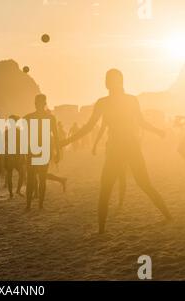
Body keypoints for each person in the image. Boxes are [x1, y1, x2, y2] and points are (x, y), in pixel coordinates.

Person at [62, 69, 172, 233]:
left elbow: (139, 122)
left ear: (114, 82)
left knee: (116, 187)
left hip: (120, 148)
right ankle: (101, 229)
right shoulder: (116, 101)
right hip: (123, 147)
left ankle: (101, 230)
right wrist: (67, 141)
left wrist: (157, 131)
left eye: (110, 80)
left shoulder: (109, 102)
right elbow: (91, 126)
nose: (108, 83)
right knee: (123, 186)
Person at [24, 94, 60, 211]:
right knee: (38, 179)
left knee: (35, 179)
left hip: (36, 151)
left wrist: (58, 152)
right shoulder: (48, 118)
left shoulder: (30, 118)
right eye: (38, 103)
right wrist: (57, 152)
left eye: (39, 103)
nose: (38, 105)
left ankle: (33, 205)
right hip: (38, 151)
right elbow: (56, 137)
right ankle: (36, 205)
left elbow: (56, 136)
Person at [4, 115, 25, 198]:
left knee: (10, 175)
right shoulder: (18, 131)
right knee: (21, 173)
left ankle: (12, 193)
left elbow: (4, 145)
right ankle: (16, 191)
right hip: (15, 156)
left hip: (11, 156)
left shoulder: (7, 132)